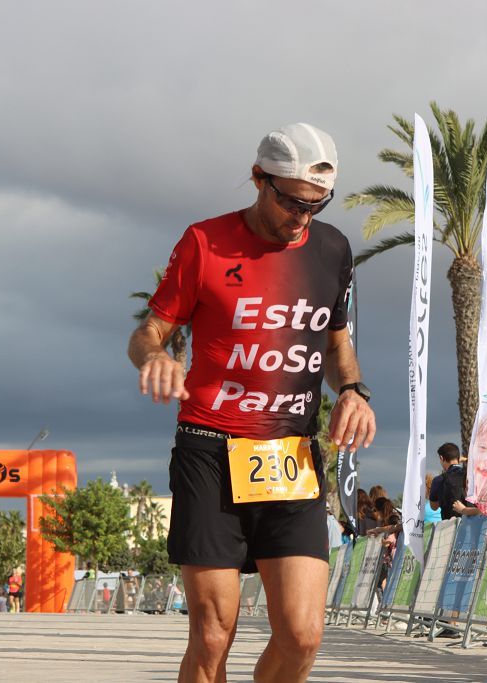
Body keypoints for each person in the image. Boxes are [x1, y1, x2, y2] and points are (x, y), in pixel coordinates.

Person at [127, 122, 375, 683]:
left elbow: (336, 343)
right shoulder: (203, 242)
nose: (302, 216)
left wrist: (354, 390)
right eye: (291, 202)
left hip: (290, 457)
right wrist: (156, 359)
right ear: (259, 179)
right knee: (214, 635)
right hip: (210, 453)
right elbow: (148, 333)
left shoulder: (332, 248)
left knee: (303, 636)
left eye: (317, 204)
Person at [432, 443, 470, 520]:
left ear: (441, 458)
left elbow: (434, 506)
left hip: (449, 526)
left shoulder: (438, 480)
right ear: (458, 458)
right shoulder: (469, 476)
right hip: (471, 522)